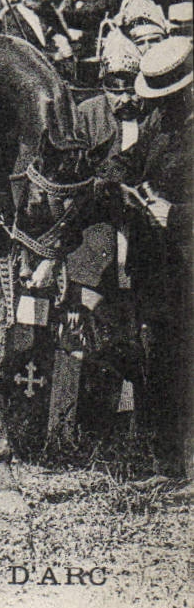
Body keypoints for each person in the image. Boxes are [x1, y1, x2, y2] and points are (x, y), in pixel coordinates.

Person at [109, 37, 194, 492]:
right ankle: (169, 465)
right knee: (162, 362)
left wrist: (175, 215)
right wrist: (119, 181)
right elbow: (129, 161)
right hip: (158, 269)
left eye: (170, 96)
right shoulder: (162, 119)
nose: (160, 104)